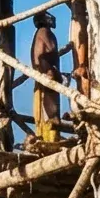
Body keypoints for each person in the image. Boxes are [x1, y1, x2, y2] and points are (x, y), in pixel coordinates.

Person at [30, 15, 67, 145]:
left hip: (46, 72)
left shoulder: (40, 33)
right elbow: (51, 48)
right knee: (50, 109)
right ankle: (49, 138)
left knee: (48, 106)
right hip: (46, 73)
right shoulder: (44, 32)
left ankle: (48, 136)